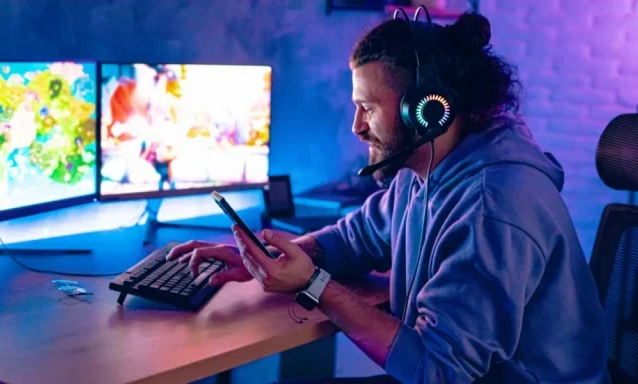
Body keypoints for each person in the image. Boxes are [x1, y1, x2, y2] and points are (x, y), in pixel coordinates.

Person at [166, 11, 610, 384]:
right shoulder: (423, 171)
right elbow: (351, 240)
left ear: (427, 110)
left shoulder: (493, 205)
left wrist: (313, 284)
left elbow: (437, 370)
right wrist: (262, 258)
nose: (356, 126)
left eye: (369, 108)